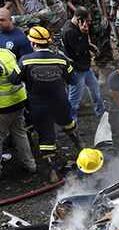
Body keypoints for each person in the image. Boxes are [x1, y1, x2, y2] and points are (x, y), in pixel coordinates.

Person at [14, 26, 83, 182]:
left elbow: (14, 80)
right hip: (61, 102)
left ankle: (52, 171)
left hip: (38, 107)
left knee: (45, 136)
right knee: (69, 125)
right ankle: (82, 148)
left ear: (32, 43)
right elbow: (74, 80)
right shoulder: (61, 59)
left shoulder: (25, 60)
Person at [62, 6, 105, 120]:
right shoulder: (69, 32)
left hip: (85, 68)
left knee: (96, 92)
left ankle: (101, 114)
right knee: (74, 99)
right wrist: (84, 32)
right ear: (80, 19)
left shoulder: (79, 28)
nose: (89, 24)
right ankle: (71, 122)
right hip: (77, 70)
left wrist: (91, 47)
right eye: (88, 21)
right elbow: (78, 51)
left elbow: (85, 45)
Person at [0, 46, 35, 178]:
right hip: (19, 101)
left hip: (3, 106)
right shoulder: (7, 53)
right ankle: (30, 164)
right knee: (20, 133)